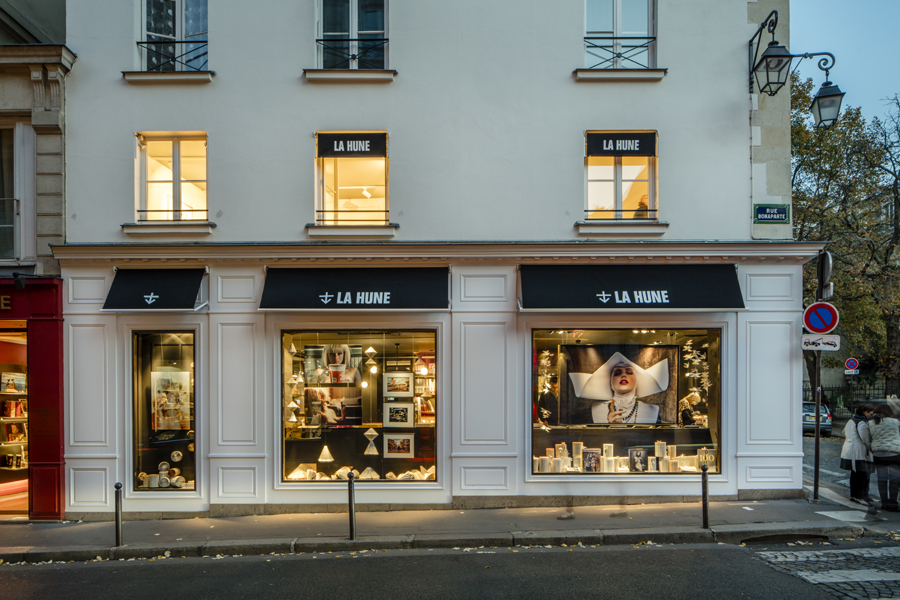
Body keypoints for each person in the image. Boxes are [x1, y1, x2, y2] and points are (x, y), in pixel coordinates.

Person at [568, 352, 668, 424]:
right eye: (617, 373)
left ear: (636, 381)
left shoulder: (652, 411)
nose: (623, 375)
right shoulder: (592, 412)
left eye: (629, 372)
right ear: (611, 382)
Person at [868, 405, 900, 512]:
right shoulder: (896, 422)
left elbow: (869, 439)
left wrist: (873, 449)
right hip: (893, 454)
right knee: (894, 479)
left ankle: (884, 502)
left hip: (878, 454)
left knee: (881, 479)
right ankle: (893, 503)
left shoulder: (871, 423)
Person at [840, 403, 874, 505]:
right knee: (862, 474)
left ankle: (854, 495)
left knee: (855, 474)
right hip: (860, 451)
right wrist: (872, 448)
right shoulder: (862, 422)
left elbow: (843, 433)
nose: (871, 416)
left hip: (850, 450)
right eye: (870, 413)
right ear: (865, 412)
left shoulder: (851, 420)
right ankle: (860, 496)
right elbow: (865, 439)